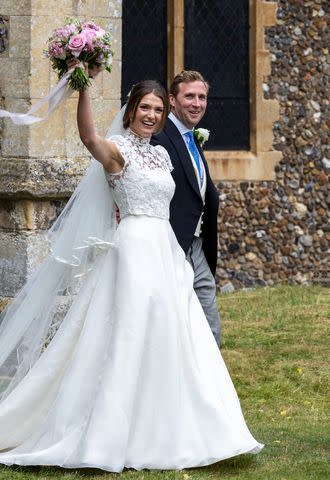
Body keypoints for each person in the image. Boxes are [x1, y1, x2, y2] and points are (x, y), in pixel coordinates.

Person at [0, 63, 263, 472]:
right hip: (134, 250)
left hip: (167, 251)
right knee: (130, 333)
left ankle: (185, 427)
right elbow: (88, 135)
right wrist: (83, 86)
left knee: (179, 334)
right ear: (131, 109)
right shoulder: (116, 149)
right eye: (146, 107)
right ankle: (112, 432)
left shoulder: (161, 152)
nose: (152, 115)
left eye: (158, 109)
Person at [151, 71, 221, 346]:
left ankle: (210, 385)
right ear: (172, 100)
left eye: (202, 97)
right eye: (189, 96)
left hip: (196, 245)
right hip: (169, 245)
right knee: (173, 323)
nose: (197, 103)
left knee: (209, 320)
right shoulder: (158, 137)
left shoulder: (192, 137)